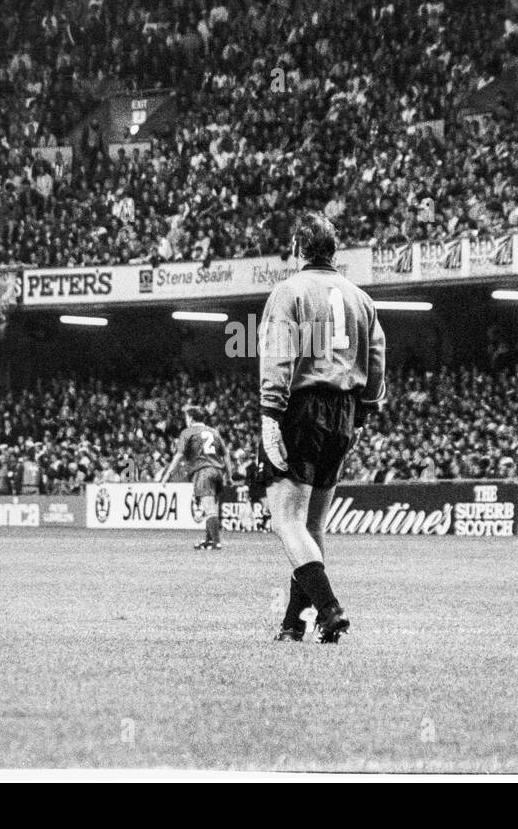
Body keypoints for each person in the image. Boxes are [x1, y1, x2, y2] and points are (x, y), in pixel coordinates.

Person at [258, 213, 385, 643]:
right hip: (345, 410)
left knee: (286, 518)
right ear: (334, 251)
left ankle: (329, 610)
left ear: (298, 248)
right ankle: (295, 623)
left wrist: (270, 413)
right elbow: (377, 358)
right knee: (313, 525)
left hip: (303, 407)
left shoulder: (289, 291)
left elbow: (278, 353)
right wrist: (364, 411)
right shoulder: (361, 299)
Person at [161, 404, 232, 550]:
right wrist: (229, 476)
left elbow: (179, 455)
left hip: (203, 471)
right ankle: (209, 540)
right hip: (217, 472)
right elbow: (226, 455)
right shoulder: (214, 432)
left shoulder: (188, 432)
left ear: (191, 418)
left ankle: (216, 542)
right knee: (210, 507)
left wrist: (167, 474)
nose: (186, 420)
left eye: (187, 417)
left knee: (209, 508)